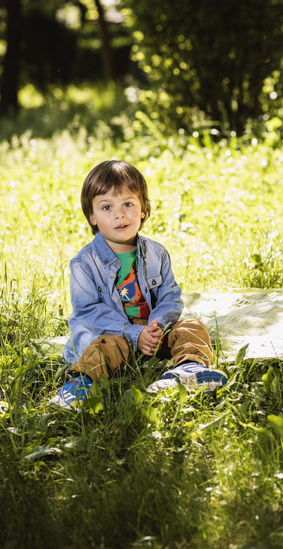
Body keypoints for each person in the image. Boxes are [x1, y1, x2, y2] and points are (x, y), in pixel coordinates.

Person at [50, 160, 227, 409]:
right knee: (101, 348)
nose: (119, 214)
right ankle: (80, 385)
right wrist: (135, 334)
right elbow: (89, 312)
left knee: (192, 326)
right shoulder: (84, 263)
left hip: (152, 333)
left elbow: (170, 297)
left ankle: (189, 369)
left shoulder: (157, 253)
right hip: (115, 335)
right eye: (106, 207)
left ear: (143, 209)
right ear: (92, 217)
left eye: (128, 204)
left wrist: (155, 327)